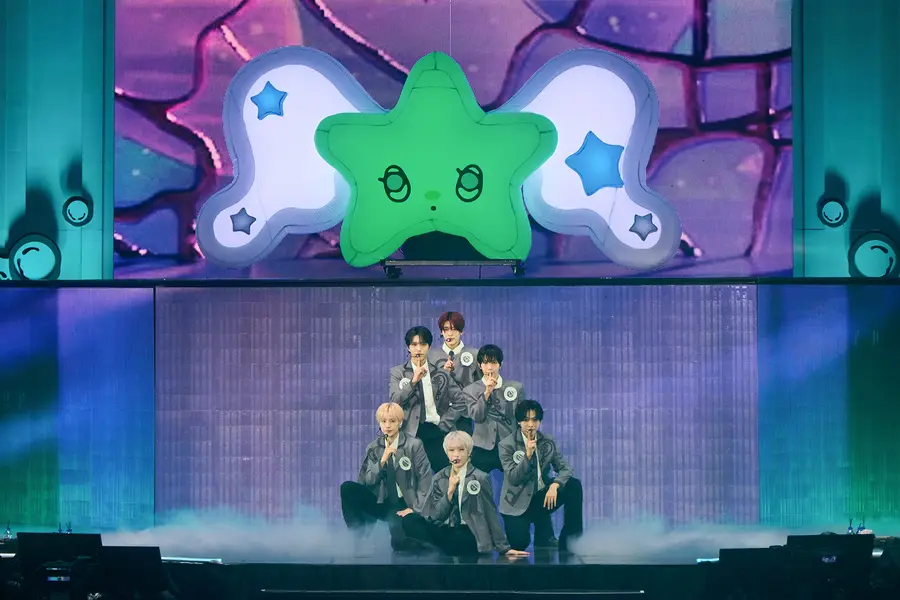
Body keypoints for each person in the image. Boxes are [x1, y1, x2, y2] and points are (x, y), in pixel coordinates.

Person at [401, 431, 529, 558]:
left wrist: (504, 548)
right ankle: (436, 551)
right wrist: (449, 493)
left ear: (469, 452)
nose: (456, 455)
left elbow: (490, 512)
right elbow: (437, 516)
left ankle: (441, 551)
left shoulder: (480, 478)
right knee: (410, 520)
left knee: (459, 541)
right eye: (451, 450)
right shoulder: (439, 477)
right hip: (446, 530)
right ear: (446, 453)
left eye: (461, 450)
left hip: (470, 533)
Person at [339, 402, 432, 549]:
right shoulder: (374, 447)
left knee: (400, 545)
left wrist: (415, 508)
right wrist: (382, 461)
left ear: (400, 423)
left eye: (392, 421)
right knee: (347, 488)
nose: (387, 425)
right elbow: (367, 481)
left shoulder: (414, 445)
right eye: (383, 421)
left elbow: (425, 480)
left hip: (403, 504)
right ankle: (359, 535)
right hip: (380, 502)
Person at [498, 400, 583, 553]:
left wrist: (555, 484)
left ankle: (570, 540)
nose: (530, 425)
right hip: (517, 502)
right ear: (519, 421)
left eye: (535, 420)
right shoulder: (507, 445)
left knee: (573, 485)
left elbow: (566, 468)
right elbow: (514, 478)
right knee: (519, 543)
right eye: (526, 420)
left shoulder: (547, 441)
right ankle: (538, 533)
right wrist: (528, 455)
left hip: (541, 497)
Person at [390, 325, 468, 471]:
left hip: (437, 431)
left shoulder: (440, 372)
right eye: (414, 344)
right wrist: (413, 382)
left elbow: (461, 401)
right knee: (410, 477)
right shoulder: (398, 372)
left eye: (423, 344)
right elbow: (395, 401)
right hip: (410, 433)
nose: (418, 349)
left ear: (429, 347)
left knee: (445, 475)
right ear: (408, 347)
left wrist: (444, 424)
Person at [462, 344, 525, 474]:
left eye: (494, 362)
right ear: (479, 365)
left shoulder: (516, 388)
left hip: (510, 446)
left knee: (517, 480)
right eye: (485, 363)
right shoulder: (470, 390)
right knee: (476, 482)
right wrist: (487, 393)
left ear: (500, 364)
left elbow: (521, 419)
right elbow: (477, 416)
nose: (490, 367)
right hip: (482, 447)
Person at [427, 312, 480, 388]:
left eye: (454, 329)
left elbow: (481, 385)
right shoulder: (431, 356)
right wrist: (443, 373)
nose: (450, 334)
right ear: (441, 332)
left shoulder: (475, 354)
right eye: (446, 329)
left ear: (461, 331)